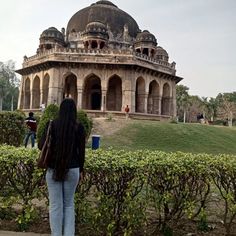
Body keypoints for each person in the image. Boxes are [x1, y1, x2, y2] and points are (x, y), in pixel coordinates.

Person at [38, 98, 86, 236]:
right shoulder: (79, 127)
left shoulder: (51, 125)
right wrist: (81, 170)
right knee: (69, 205)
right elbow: (81, 153)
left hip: (53, 169)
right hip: (73, 169)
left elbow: (41, 145)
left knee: (55, 206)